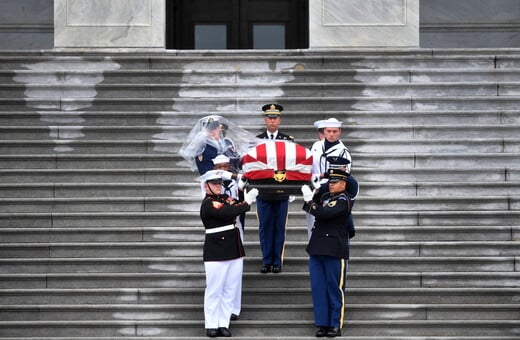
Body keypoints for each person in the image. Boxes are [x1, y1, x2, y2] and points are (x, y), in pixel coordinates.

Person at [199, 169, 259, 337]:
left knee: (230, 289)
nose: (218, 186)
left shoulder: (224, 198)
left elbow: (236, 204)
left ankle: (223, 323)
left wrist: (241, 190)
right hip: (217, 251)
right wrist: (247, 202)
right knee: (214, 289)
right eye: (214, 184)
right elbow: (229, 212)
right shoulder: (209, 203)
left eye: (219, 183)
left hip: (234, 249)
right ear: (206, 186)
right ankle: (211, 324)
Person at [301, 168, 353, 338]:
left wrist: (310, 200)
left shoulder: (344, 200)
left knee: (334, 288)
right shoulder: (325, 197)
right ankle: (322, 323)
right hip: (317, 247)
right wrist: (315, 191)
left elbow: (323, 213)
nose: (331, 185)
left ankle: (335, 324)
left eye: (334, 182)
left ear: (343, 184)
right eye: (330, 182)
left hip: (334, 249)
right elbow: (313, 208)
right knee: (319, 288)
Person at [255, 103, 294, 274]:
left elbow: (293, 165)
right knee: (265, 226)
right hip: (263, 190)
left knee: (279, 227)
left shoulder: (288, 140)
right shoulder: (257, 140)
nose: (272, 121)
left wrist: (292, 188)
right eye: (269, 118)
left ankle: (277, 261)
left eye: (275, 118)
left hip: (282, 190)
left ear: (279, 120)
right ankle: (266, 260)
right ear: (265, 120)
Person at [306, 118, 352, 239]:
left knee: (330, 226)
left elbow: (344, 175)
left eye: (334, 131)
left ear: (339, 132)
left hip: (332, 191)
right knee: (312, 225)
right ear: (324, 132)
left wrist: (323, 177)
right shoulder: (316, 146)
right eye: (329, 131)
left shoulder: (343, 152)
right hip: (314, 190)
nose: (331, 134)